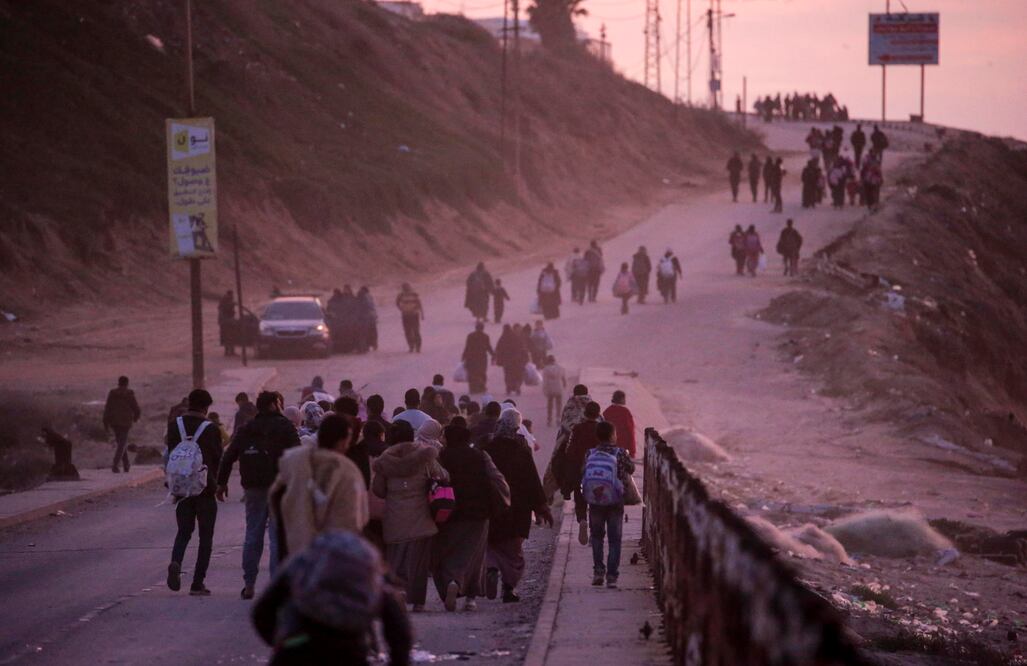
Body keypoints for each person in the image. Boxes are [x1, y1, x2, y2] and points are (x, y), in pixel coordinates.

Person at [251, 530, 412, 665]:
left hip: (298, 646)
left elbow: (263, 611)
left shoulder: (303, 561)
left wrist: (280, 640)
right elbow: (398, 625)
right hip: (349, 650)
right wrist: (399, 661)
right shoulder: (367, 568)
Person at [218, 391, 302, 598]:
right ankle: (275, 588)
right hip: (279, 488)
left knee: (253, 535)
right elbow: (299, 457)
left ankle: (249, 585)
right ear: (275, 404)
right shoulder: (286, 428)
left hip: (253, 488)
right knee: (276, 538)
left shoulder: (247, 428)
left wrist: (221, 484)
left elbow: (228, 457)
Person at [372, 420, 450, 612]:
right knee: (419, 564)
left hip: (395, 518)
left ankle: (398, 594)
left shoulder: (384, 460)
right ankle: (418, 601)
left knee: (396, 561)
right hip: (420, 518)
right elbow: (443, 476)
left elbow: (379, 490)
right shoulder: (425, 456)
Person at [270, 414, 368, 562]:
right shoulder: (347, 470)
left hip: (293, 552)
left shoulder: (294, 462)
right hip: (329, 558)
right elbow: (355, 518)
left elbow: (275, 498)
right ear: (343, 441)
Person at [434, 424, 510, 612]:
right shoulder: (480, 456)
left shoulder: (441, 456)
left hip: (447, 510)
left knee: (446, 552)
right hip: (478, 511)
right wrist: (502, 501)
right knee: (475, 554)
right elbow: (498, 480)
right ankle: (471, 598)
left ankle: (451, 582)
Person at [481, 409, 552, 603]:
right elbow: (532, 481)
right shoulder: (521, 450)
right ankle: (508, 589)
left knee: (492, 544)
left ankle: (491, 568)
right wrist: (542, 508)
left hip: (492, 507)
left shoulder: (488, 448)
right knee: (514, 552)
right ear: (516, 427)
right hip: (517, 509)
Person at [166, 389, 222, 596]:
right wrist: (218, 485)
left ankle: (176, 561)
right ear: (207, 407)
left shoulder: (175, 426)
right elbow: (217, 458)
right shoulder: (211, 428)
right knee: (205, 537)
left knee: (183, 531)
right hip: (205, 488)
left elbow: (170, 454)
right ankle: (197, 583)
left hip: (182, 487)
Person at [581, 422, 635, 588]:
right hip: (615, 500)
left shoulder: (590, 453)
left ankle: (598, 572)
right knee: (614, 539)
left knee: (597, 537)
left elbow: (584, 472)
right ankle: (611, 576)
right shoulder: (620, 453)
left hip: (595, 500)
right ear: (612, 435)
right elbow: (631, 469)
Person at [563, 401, 602, 546]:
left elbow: (569, 451)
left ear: (585, 413)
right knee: (596, 503)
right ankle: (593, 534)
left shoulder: (578, 429)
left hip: (581, 471)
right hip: (598, 472)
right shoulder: (601, 429)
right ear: (598, 414)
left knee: (580, 500)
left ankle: (582, 519)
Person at [103, 375, 141, 474]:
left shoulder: (112, 393)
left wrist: (105, 422)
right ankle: (115, 464)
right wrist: (136, 418)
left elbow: (107, 408)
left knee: (121, 442)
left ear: (118, 383)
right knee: (122, 443)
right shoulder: (129, 394)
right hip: (125, 422)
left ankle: (126, 464)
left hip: (114, 422)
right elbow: (136, 408)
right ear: (127, 383)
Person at [495, 324, 529, 396]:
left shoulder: (503, 338)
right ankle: (517, 385)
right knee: (518, 374)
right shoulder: (516, 337)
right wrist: (525, 358)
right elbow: (523, 348)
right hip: (518, 360)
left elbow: (499, 349)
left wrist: (498, 359)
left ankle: (509, 387)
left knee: (508, 374)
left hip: (507, 361)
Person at [602, 390, 637, 459]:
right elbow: (630, 432)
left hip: (609, 447)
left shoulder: (607, 411)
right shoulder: (625, 412)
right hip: (622, 448)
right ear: (622, 399)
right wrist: (632, 451)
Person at [462, 321, 494, 395]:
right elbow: (488, 347)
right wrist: (493, 354)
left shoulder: (470, 336)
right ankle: (481, 387)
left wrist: (464, 356)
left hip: (471, 358)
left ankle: (472, 388)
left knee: (472, 373)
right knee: (481, 373)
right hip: (482, 358)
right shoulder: (485, 336)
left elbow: (467, 347)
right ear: (483, 328)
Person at [396, 283, 424, 353]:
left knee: (416, 331)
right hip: (405, 315)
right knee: (407, 331)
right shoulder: (400, 295)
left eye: (407, 287)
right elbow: (397, 302)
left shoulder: (414, 294)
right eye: (404, 287)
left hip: (414, 315)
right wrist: (401, 308)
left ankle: (418, 347)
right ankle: (411, 346)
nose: (406, 288)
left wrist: (422, 314)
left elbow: (419, 303)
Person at [542, 356, 567, 427]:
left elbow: (545, 381)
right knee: (559, 404)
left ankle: (549, 419)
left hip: (550, 388)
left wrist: (544, 389)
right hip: (558, 387)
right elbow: (563, 378)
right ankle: (558, 418)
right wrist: (564, 385)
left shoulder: (546, 369)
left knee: (550, 404)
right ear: (554, 361)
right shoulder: (560, 368)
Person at [355, 286, 378, 352]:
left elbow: (363, 307)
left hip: (365, 318)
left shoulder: (363, 298)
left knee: (364, 333)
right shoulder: (369, 296)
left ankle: (365, 347)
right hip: (371, 317)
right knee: (372, 332)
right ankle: (373, 345)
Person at [218, 290, 237, 356]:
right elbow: (222, 310)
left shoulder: (227, 300)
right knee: (228, 336)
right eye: (231, 295)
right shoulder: (225, 301)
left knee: (230, 336)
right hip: (226, 321)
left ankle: (230, 351)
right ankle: (228, 351)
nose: (232, 296)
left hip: (227, 320)